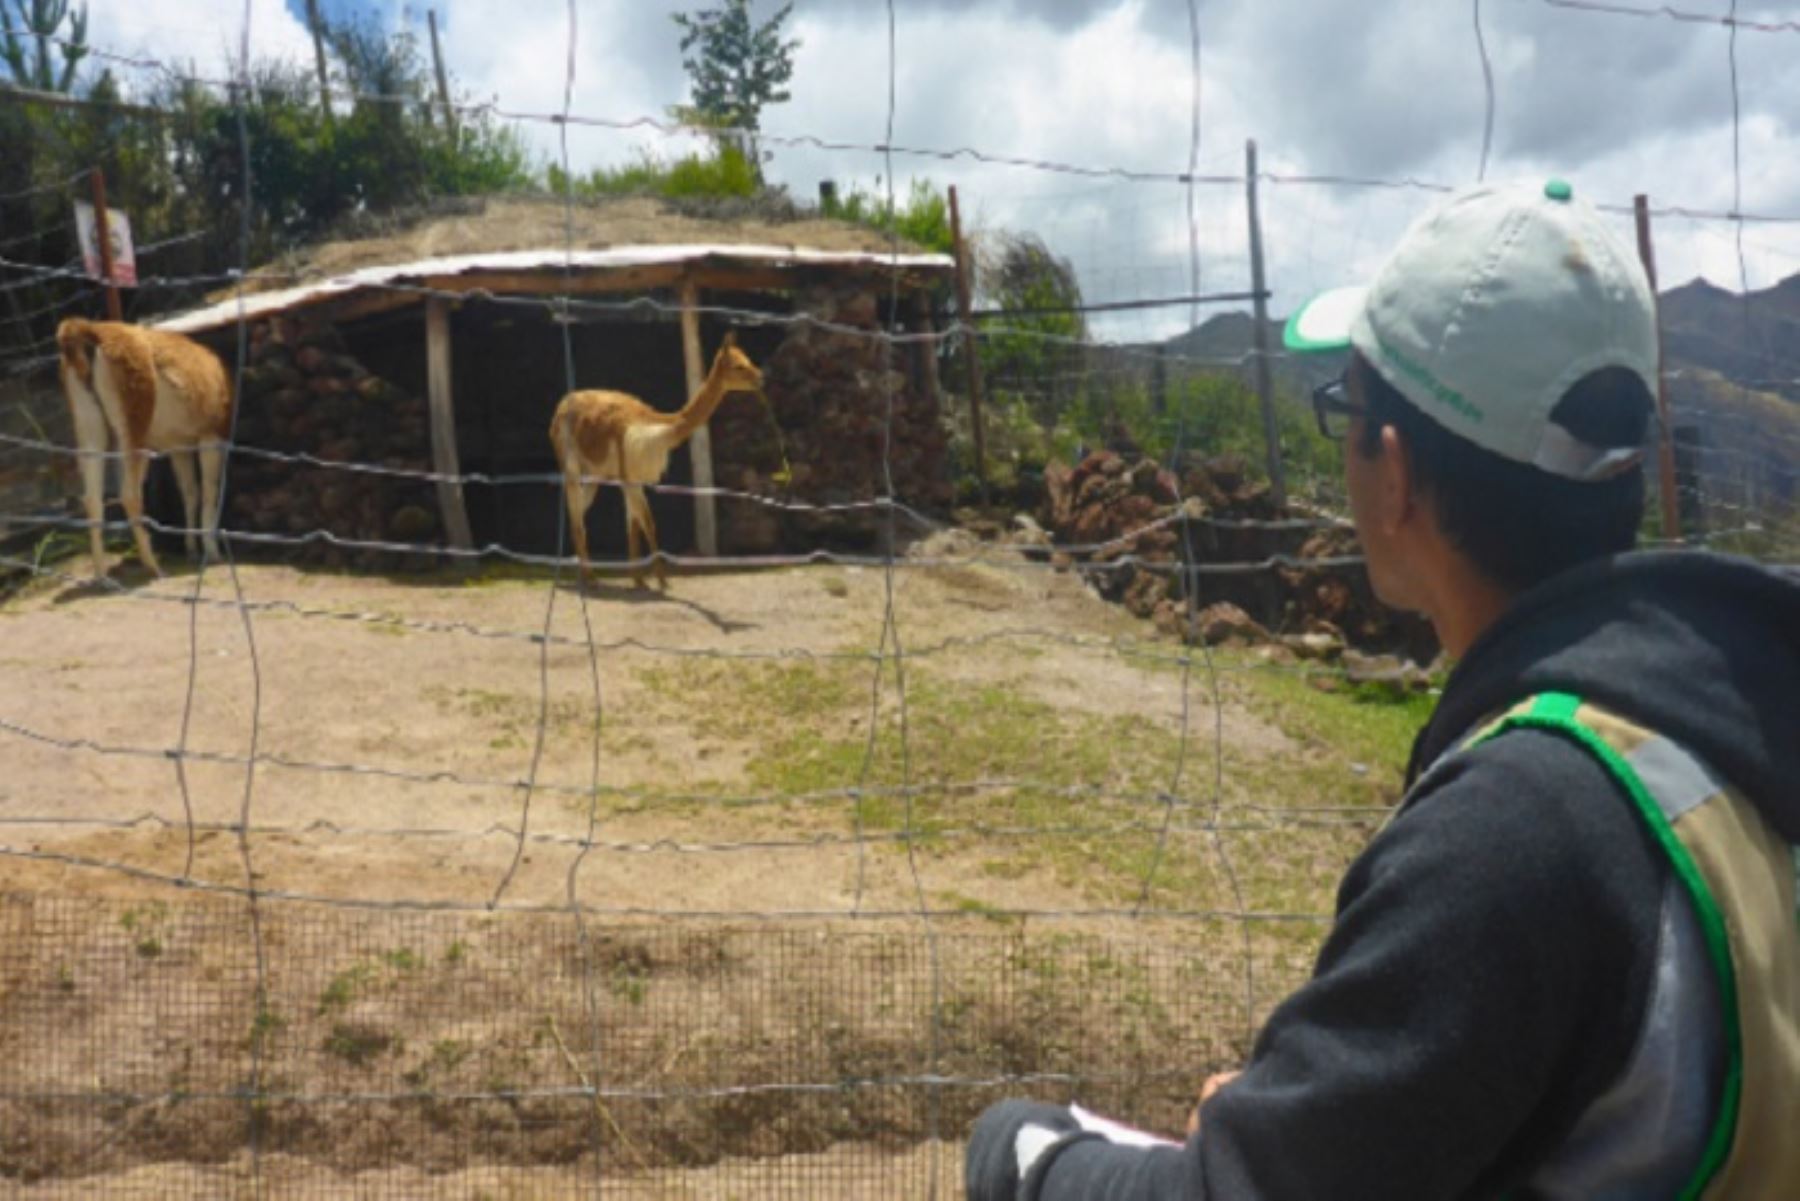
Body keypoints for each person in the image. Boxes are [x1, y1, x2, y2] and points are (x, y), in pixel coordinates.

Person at [966, 178, 1800, 1199]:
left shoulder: (1523, 833)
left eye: (1344, 412)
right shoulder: (1726, 720)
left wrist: (1025, 1152)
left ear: (1395, 472)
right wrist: (1304, 1114)